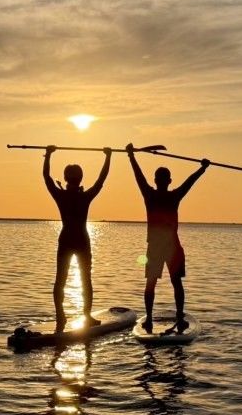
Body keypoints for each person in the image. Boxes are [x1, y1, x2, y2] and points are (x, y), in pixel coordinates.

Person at [126, 143, 209, 333]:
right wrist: (202, 168)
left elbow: (138, 176)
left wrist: (131, 157)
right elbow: (190, 181)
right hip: (171, 246)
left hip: (157, 247)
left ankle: (149, 321)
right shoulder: (174, 196)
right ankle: (178, 319)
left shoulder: (149, 194)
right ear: (169, 181)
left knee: (152, 283)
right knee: (176, 282)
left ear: (156, 180)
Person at [44, 145, 112, 332]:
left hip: (66, 239)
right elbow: (101, 180)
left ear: (66, 179)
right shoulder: (84, 197)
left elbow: (47, 178)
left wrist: (48, 155)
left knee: (61, 279)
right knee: (85, 279)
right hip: (81, 240)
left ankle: (61, 315)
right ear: (80, 178)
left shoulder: (61, 195)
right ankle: (85, 315)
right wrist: (108, 157)